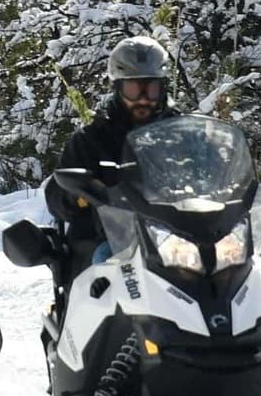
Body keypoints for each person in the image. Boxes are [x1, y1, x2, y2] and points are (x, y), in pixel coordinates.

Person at [43, 36, 180, 284]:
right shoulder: (92, 139)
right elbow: (56, 196)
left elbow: (217, 175)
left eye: (151, 89)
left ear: (163, 88)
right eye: (133, 89)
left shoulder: (183, 134)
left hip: (180, 235)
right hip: (115, 240)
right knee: (106, 262)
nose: (143, 98)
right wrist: (82, 194)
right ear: (117, 88)